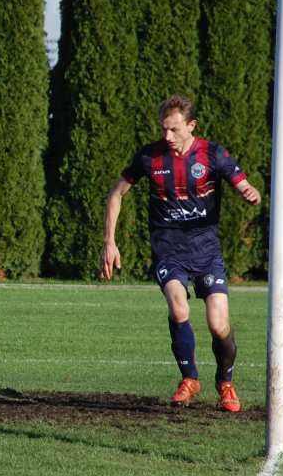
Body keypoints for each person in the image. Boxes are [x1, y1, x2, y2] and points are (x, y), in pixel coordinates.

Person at [98, 95, 261, 413]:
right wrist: (109, 241)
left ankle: (225, 383)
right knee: (178, 307)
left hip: (206, 250)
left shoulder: (212, 154)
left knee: (218, 324)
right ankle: (190, 379)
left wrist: (247, 191)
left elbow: (241, 182)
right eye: (163, 129)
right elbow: (116, 193)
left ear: (191, 126)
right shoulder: (149, 157)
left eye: (173, 130)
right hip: (168, 248)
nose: (167, 136)